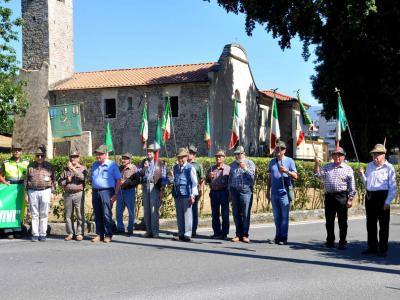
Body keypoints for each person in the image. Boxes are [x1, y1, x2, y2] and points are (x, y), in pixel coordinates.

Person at [359, 144, 397, 257]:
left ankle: (383, 249)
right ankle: (372, 247)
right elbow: (366, 183)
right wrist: (361, 174)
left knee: (383, 225)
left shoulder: (389, 167)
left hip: (383, 196)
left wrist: (388, 201)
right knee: (370, 224)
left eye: (377, 154)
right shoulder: (369, 166)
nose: (375, 156)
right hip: (370, 196)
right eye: (373, 154)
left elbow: (393, 187)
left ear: (383, 155)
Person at [314, 147, 355, 250]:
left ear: (343, 157)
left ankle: (342, 242)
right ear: (332, 156)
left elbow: (352, 186)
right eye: (335, 155)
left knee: (342, 221)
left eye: (340, 155)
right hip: (329, 197)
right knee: (329, 221)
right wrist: (317, 164)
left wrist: (350, 199)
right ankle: (330, 241)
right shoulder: (327, 167)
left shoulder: (348, 169)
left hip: (342, 197)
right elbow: (317, 175)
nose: (337, 157)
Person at [267, 141, 298, 245]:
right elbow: (269, 177)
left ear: (284, 150)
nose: (278, 150)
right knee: (276, 216)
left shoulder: (289, 161)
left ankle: (283, 237)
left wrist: (286, 171)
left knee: (284, 216)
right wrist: (268, 190)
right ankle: (277, 236)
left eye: (281, 149)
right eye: (277, 149)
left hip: (284, 193)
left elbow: (295, 176)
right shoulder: (272, 162)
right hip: (274, 192)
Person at [90, 145, 122, 243]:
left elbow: (118, 180)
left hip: (107, 192)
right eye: (97, 154)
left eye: (100, 154)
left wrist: (116, 194)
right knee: (97, 214)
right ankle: (100, 234)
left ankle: (108, 234)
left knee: (106, 213)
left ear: (105, 154)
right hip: (96, 191)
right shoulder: (94, 165)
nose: (98, 156)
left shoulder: (112, 165)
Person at [25, 146, 56, 242]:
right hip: (32, 191)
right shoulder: (30, 166)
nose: (39, 157)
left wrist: (53, 192)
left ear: (44, 156)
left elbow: (54, 180)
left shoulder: (49, 166)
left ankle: (43, 234)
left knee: (44, 213)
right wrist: (26, 193)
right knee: (34, 214)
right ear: (35, 156)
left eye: (41, 156)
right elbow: (26, 180)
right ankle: (35, 234)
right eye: (37, 155)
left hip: (45, 190)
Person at [0, 142, 30, 239]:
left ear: (21, 151)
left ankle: (17, 227)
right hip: (10, 187)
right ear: (12, 151)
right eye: (15, 150)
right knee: (8, 207)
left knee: (19, 208)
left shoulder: (26, 162)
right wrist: (4, 182)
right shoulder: (6, 163)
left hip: (21, 187)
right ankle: (8, 228)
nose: (17, 151)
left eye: (19, 150)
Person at [168, 147, 198, 242]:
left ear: (186, 157)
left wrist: (193, 195)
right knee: (179, 215)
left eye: (182, 157)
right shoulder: (175, 168)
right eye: (178, 157)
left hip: (186, 194)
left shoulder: (190, 168)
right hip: (177, 194)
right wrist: (170, 176)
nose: (180, 159)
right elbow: (173, 181)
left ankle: (187, 234)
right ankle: (181, 233)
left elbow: (194, 183)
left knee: (187, 215)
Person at [228, 145, 256, 243]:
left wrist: (245, 168)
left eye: (240, 154)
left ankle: (245, 234)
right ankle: (238, 234)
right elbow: (230, 180)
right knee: (236, 214)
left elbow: (252, 178)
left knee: (245, 214)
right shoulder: (232, 165)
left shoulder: (250, 163)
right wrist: (230, 192)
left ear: (244, 154)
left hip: (246, 191)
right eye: (236, 154)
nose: (238, 156)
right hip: (234, 191)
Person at [139, 144, 167, 238]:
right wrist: (144, 167)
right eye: (148, 151)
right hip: (145, 186)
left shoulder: (159, 163)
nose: (149, 153)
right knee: (146, 210)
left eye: (151, 151)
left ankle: (155, 232)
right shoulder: (143, 162)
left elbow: (163, 177)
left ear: (155, 153)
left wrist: (161, 190)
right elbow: (139, 173)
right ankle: (148, 231)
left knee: (154, 210)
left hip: (154, 186)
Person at [59, 150, 87, 241]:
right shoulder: (65, 169)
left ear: (78, 158)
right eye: (71, 157)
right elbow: (60, 182)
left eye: (75, 157)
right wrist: (67, 180)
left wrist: (73, 169)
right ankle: (70, 233)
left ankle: (79, 233)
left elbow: (83, 178)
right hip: (68, 193)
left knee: (79, 214)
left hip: (78, 193)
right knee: (68, 215)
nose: (73, 158)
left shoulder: (82, 168)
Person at [206, 149, 230, 239]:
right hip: (214, 192)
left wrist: (230, 194)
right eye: (217, 156)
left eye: (220, 156)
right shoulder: (211, 168)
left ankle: (224, 234)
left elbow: (230, 182)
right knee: (215, 214)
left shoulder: (228, 168)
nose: (218, 158)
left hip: (224, 192)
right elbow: (207, 181)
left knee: (225, 214)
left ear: (224, 158)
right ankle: (216, 233)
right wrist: (209, 177)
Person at [116, 152, 138, 236]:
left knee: (131, 211)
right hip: (121, 191)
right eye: (123, 158)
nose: (123, 160)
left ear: (129, 160)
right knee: (118, 211)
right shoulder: (120, 168)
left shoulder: (133, 168)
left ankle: (130, 229)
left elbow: (136, 181)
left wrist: (127, 182)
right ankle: (120, 228)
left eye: (126, 158)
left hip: (129, 191)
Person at [187, 144, 205, 237]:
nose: (189, 155)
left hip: (194, 191)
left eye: (191, 153)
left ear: (194, 155)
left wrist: (201, 190)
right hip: (185, 192)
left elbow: (202, 179)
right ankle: (186, 230)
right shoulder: (184, 164)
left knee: (194, 212)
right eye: (188, 153)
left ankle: (193, 230)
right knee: (186, 211)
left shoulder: (198, 165)